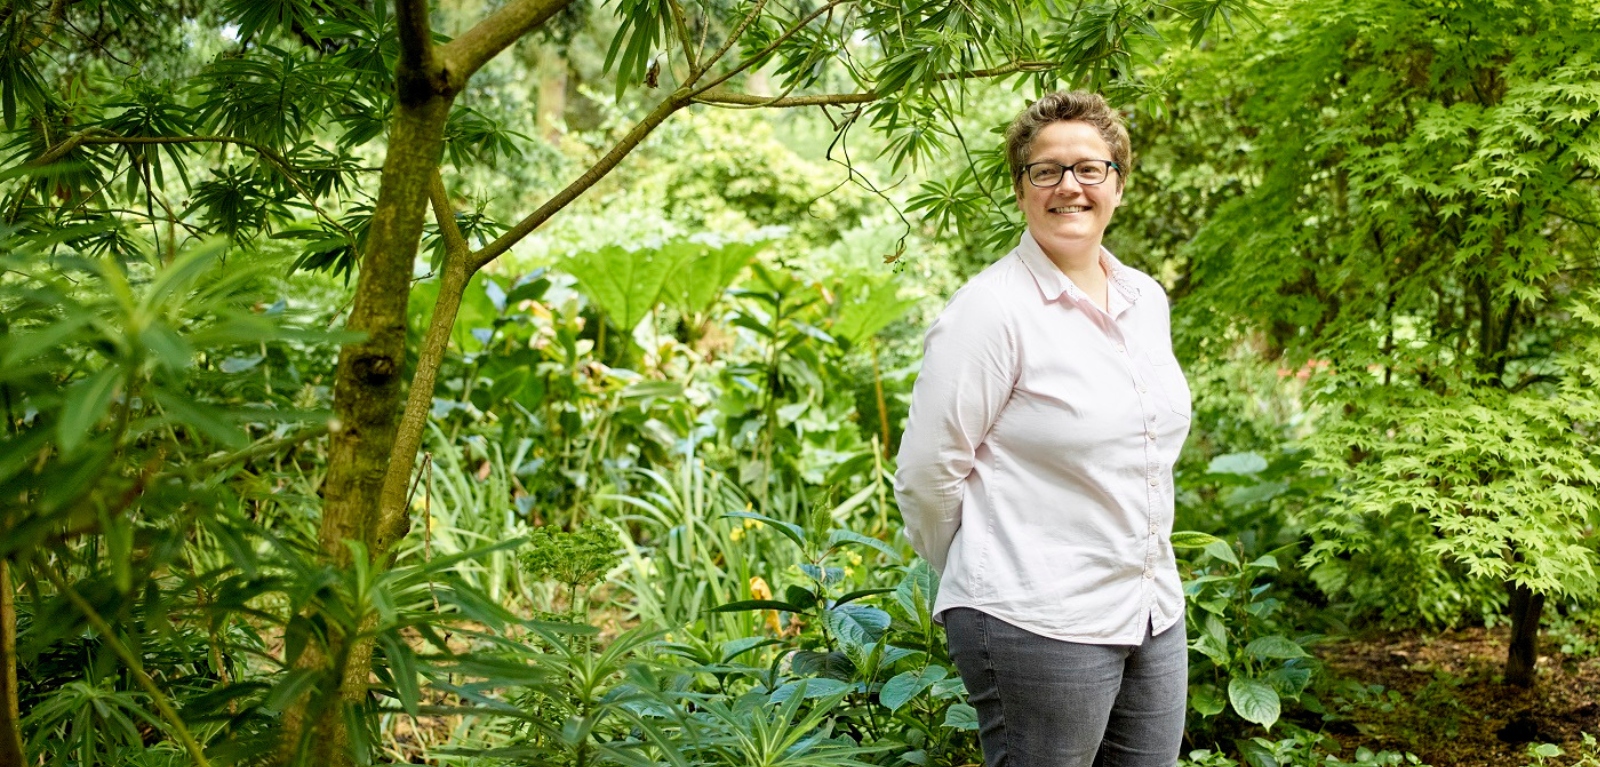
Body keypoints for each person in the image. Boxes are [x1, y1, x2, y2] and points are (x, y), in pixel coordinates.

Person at [894, 91, 1192, 767]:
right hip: (1036, 619)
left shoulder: (1146, 299)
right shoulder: (991, 311)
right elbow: (925, 475)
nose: (1070, 187)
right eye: (1046, 170)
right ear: (1021, 188)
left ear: (1118, 180)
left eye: (1090, 168)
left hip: (1150, 607)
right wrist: (990, 571)